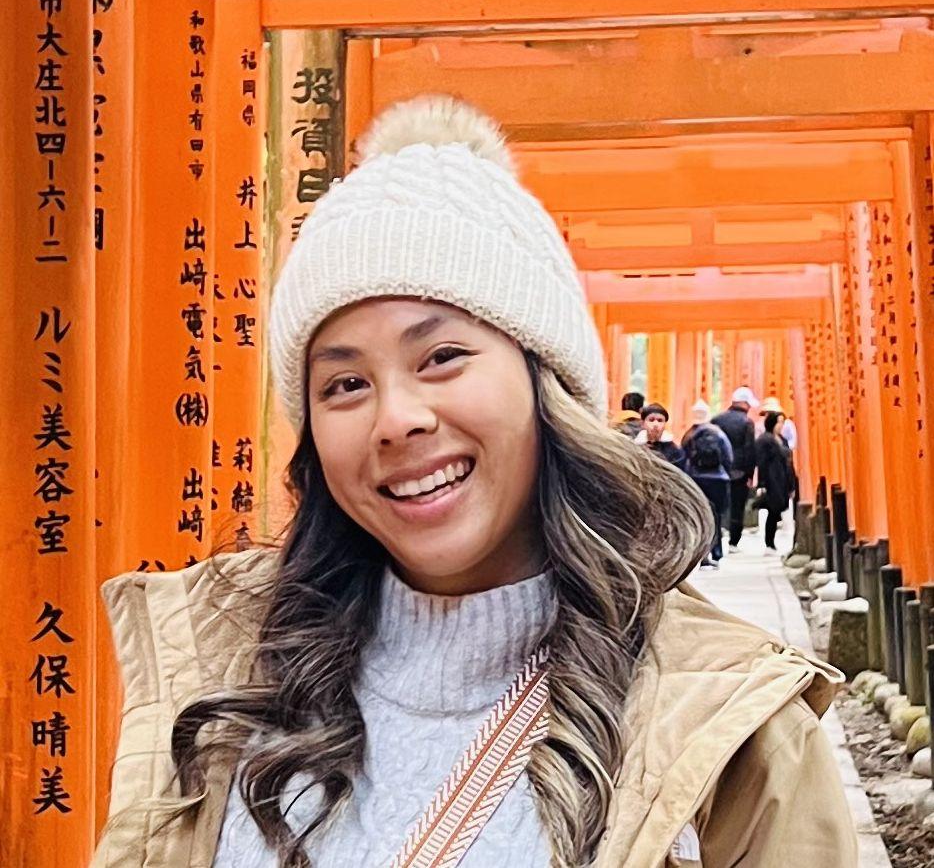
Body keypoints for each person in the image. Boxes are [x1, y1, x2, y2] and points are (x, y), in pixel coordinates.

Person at [92, 97, 856, 868]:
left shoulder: (732, 731)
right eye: (345, 384)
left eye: (442, 357)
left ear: (544, 378)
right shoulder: (216, 670)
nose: (396, 419)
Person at [682, 399, 733, 569]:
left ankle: (702, 555)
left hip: (697, 479)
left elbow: (685, 458)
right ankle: (717, 553)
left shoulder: (689, 435)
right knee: (716, 517)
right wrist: (725, 473)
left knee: (700, 517)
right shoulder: (718, 433)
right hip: (718, 479)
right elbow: (728, 456)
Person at [711, 387, 758, 554]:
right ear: (745, 404)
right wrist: (750, 474)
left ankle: (716, 538)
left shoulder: (716, 420)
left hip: (718, 470)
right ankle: (733, 542)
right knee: (738, 507)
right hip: (740, 471)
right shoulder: (747, 422)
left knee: (717, 506)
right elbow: (749, 450)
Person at [756, 411, 795, 555]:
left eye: (782, 422)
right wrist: (761, 483)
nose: (781, 425)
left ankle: (771, 543)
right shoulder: (764, 440)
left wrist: (791, 484)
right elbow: (761, 463)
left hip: (783, 479)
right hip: (772, 479)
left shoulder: (782, 439)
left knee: (776, 511)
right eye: (778, 422)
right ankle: (769, 543)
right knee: (772, 511)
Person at [635, 402, 687, 471]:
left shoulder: (675, 452)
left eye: (660, 420)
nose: (655, 424)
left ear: (665, 424)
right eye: (651, 420)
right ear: (643, 423)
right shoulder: (635, 448)